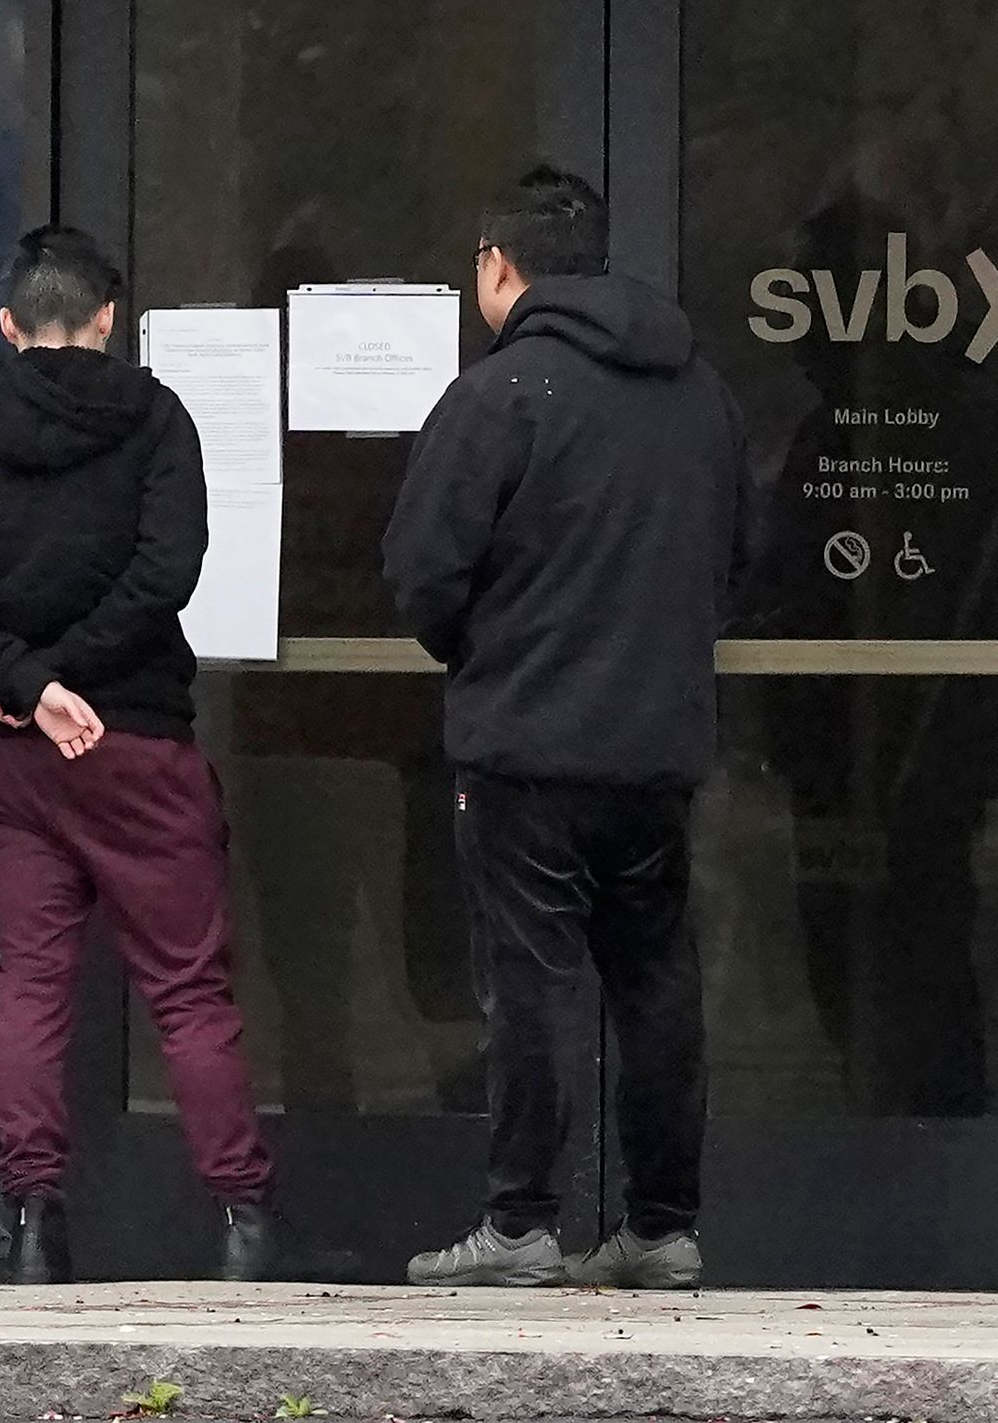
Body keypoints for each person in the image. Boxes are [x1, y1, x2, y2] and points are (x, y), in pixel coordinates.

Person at [0, 224, 281, 1284]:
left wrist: (32, 685)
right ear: (108, 317)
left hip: (21, 757)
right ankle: (242, 1219)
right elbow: (171, 569)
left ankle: (31, 1225)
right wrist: (75, 678)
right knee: (189, 990)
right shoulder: (157, 420)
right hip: (141, 744)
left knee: (29, 984)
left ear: (9, 324)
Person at [383, 165, 740, 1290]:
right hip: (658, 746)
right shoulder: (704, 398)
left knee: (530, 983)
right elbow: (738, 560)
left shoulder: (498, 396)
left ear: (499, 265)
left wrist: (486, 655)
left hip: (527, 746)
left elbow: (422, 572)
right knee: (657, 982)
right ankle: (663, 1226)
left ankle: (521, 1224)